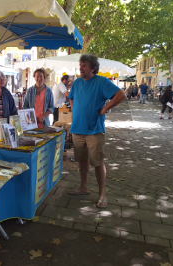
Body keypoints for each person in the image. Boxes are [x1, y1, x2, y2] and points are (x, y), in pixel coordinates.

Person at [66, 54, 126, 208]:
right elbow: (71, 97)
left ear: (93, 68)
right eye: (80, 65)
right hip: (77, 129)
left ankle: (102, 194)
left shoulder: (102, 82)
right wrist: (73, 108)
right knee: (82, 159)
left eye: (84, 66)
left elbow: (121, 95)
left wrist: (105, 108)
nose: (81, 68)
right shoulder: (77, 83)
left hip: (94, 130)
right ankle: (83, 187)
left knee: (97, 162)